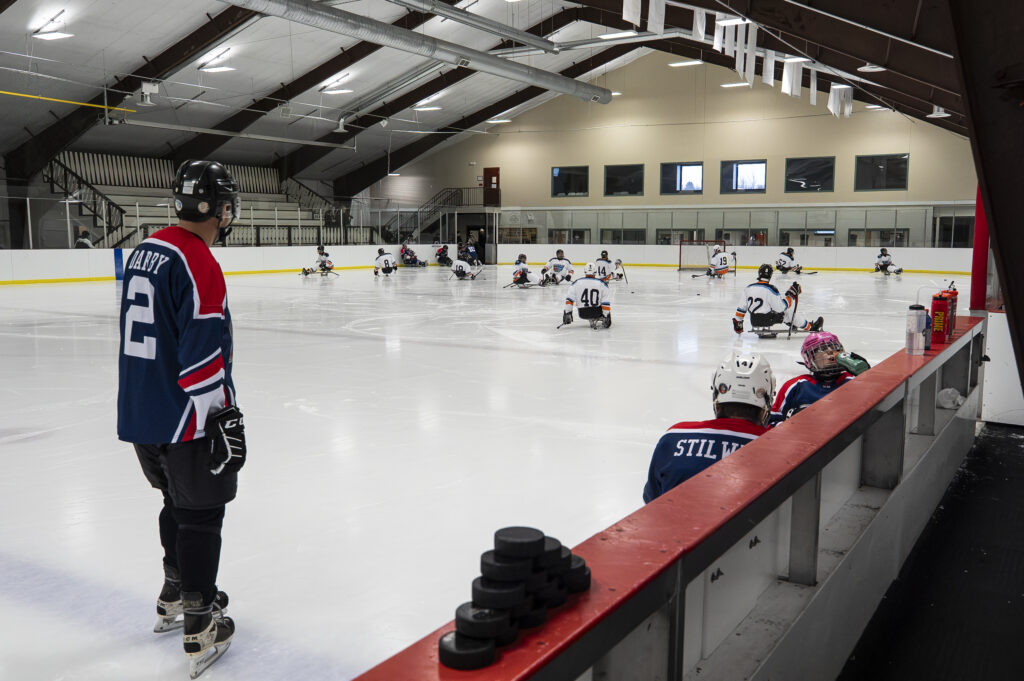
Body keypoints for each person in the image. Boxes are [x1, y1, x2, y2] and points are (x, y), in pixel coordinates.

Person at [118, 160, 243, 679]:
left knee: (174, 502)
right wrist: (222, 419)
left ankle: (174, 590)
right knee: (202, 516)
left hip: (141, 408)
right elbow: (199, 361)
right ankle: (200, 620)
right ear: (217, 208)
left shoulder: (147, 248)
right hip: (185, 415)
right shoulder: (198, 261)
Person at [643, 351, 776, 503]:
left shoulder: (675, 437)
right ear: (766, 398)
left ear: (718, 393)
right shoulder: (774, 448)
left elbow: (651, 498)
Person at [771, 332, 871, 423]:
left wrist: (869, 375)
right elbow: (772, 420)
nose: (831, 351)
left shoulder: (853, 380)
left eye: (835, 347)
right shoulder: (796, 385)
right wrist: (791, 422)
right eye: (822, 349)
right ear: (809, 357)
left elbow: (875, 405)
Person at [733, 264, 823, 334]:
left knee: (774, 311)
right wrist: (791, 296)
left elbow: (741, 309)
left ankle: (790, 323)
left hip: (753, 320)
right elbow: (780, 308)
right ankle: (811, 328)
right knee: (788, 313)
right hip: (767, 320)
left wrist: (738, 324)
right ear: (770, 275)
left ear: (759, 273)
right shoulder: (771, 289)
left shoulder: (748, 288)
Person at [561, 263, 610, 329]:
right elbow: (605, 302)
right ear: (595, 272)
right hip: (596, 313)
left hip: (582, 313)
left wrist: (568, 313)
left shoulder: (576, 283)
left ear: (585, 271)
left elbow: (569, 299)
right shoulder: (602, 284)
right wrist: (606, 316)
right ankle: (601, 318)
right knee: (602, 301)